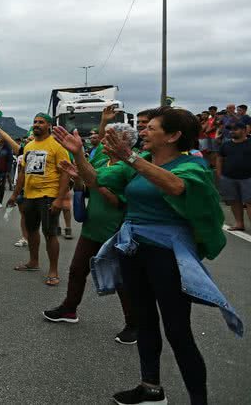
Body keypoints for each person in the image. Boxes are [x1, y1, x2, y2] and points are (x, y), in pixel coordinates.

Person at [54, 107, 243, 405]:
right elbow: (94, 179)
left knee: (177, 330)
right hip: (134, 250)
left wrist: (130, 157)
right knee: (145, 321)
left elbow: (175, 186)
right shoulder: (137, 164)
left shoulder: (190, 166)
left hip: (166, 256)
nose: (143, 132)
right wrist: (78, 154)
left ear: (173, 135)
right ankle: (150, 388)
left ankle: (199, 399)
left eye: (151, 128)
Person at [42, 123, 138, 344]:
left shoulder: (130, 167)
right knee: (77, 270)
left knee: (122, 279)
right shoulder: (102, 160)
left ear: (125, 143)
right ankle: (69, 309)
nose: (103, 142)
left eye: (109, 139)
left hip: (116, 230)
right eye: (104, 138)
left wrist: (95, 183)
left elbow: (117, 201)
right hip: (92, 227)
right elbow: (85, 179)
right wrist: (78, 179)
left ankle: (134, 325)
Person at [8, 113, 70, 286]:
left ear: (49, 125)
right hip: (29, 196)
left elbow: (66, 173)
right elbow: (22, 172)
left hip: (48, 196)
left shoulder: (57, 147)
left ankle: (53, 270)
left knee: (50, 233)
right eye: (35, 122)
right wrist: (14, 195)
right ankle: (33, 262)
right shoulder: (28, 146)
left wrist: (59, 199)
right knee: (32, 230)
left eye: (41, 122)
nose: (37, 125)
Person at [216, 121, 251, 231]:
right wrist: (219, 174)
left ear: (244, 130)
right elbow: (219, 159)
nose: (232, 131)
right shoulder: (225, 144)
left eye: (235, 129)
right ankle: (239, 224)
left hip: (248, 177)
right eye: (231, 129)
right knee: (234, 201)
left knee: (250, 202)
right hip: (228, 177)